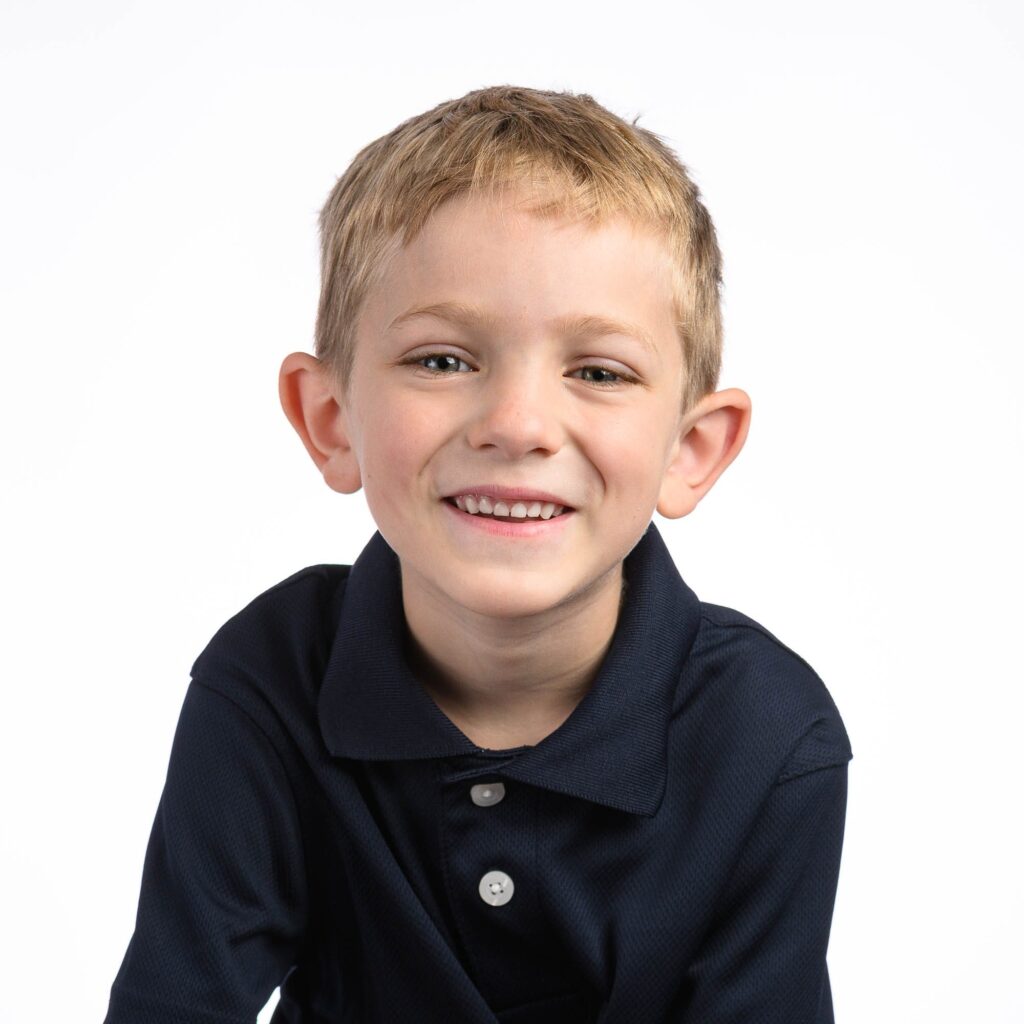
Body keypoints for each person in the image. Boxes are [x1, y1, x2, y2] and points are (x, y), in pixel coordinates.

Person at [103, 85, 852, 1023]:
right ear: (330, 421)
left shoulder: (768, 736)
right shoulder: (269, 680)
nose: (518, 425)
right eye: (443, 360)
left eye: (598, 371)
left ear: (691, 450)